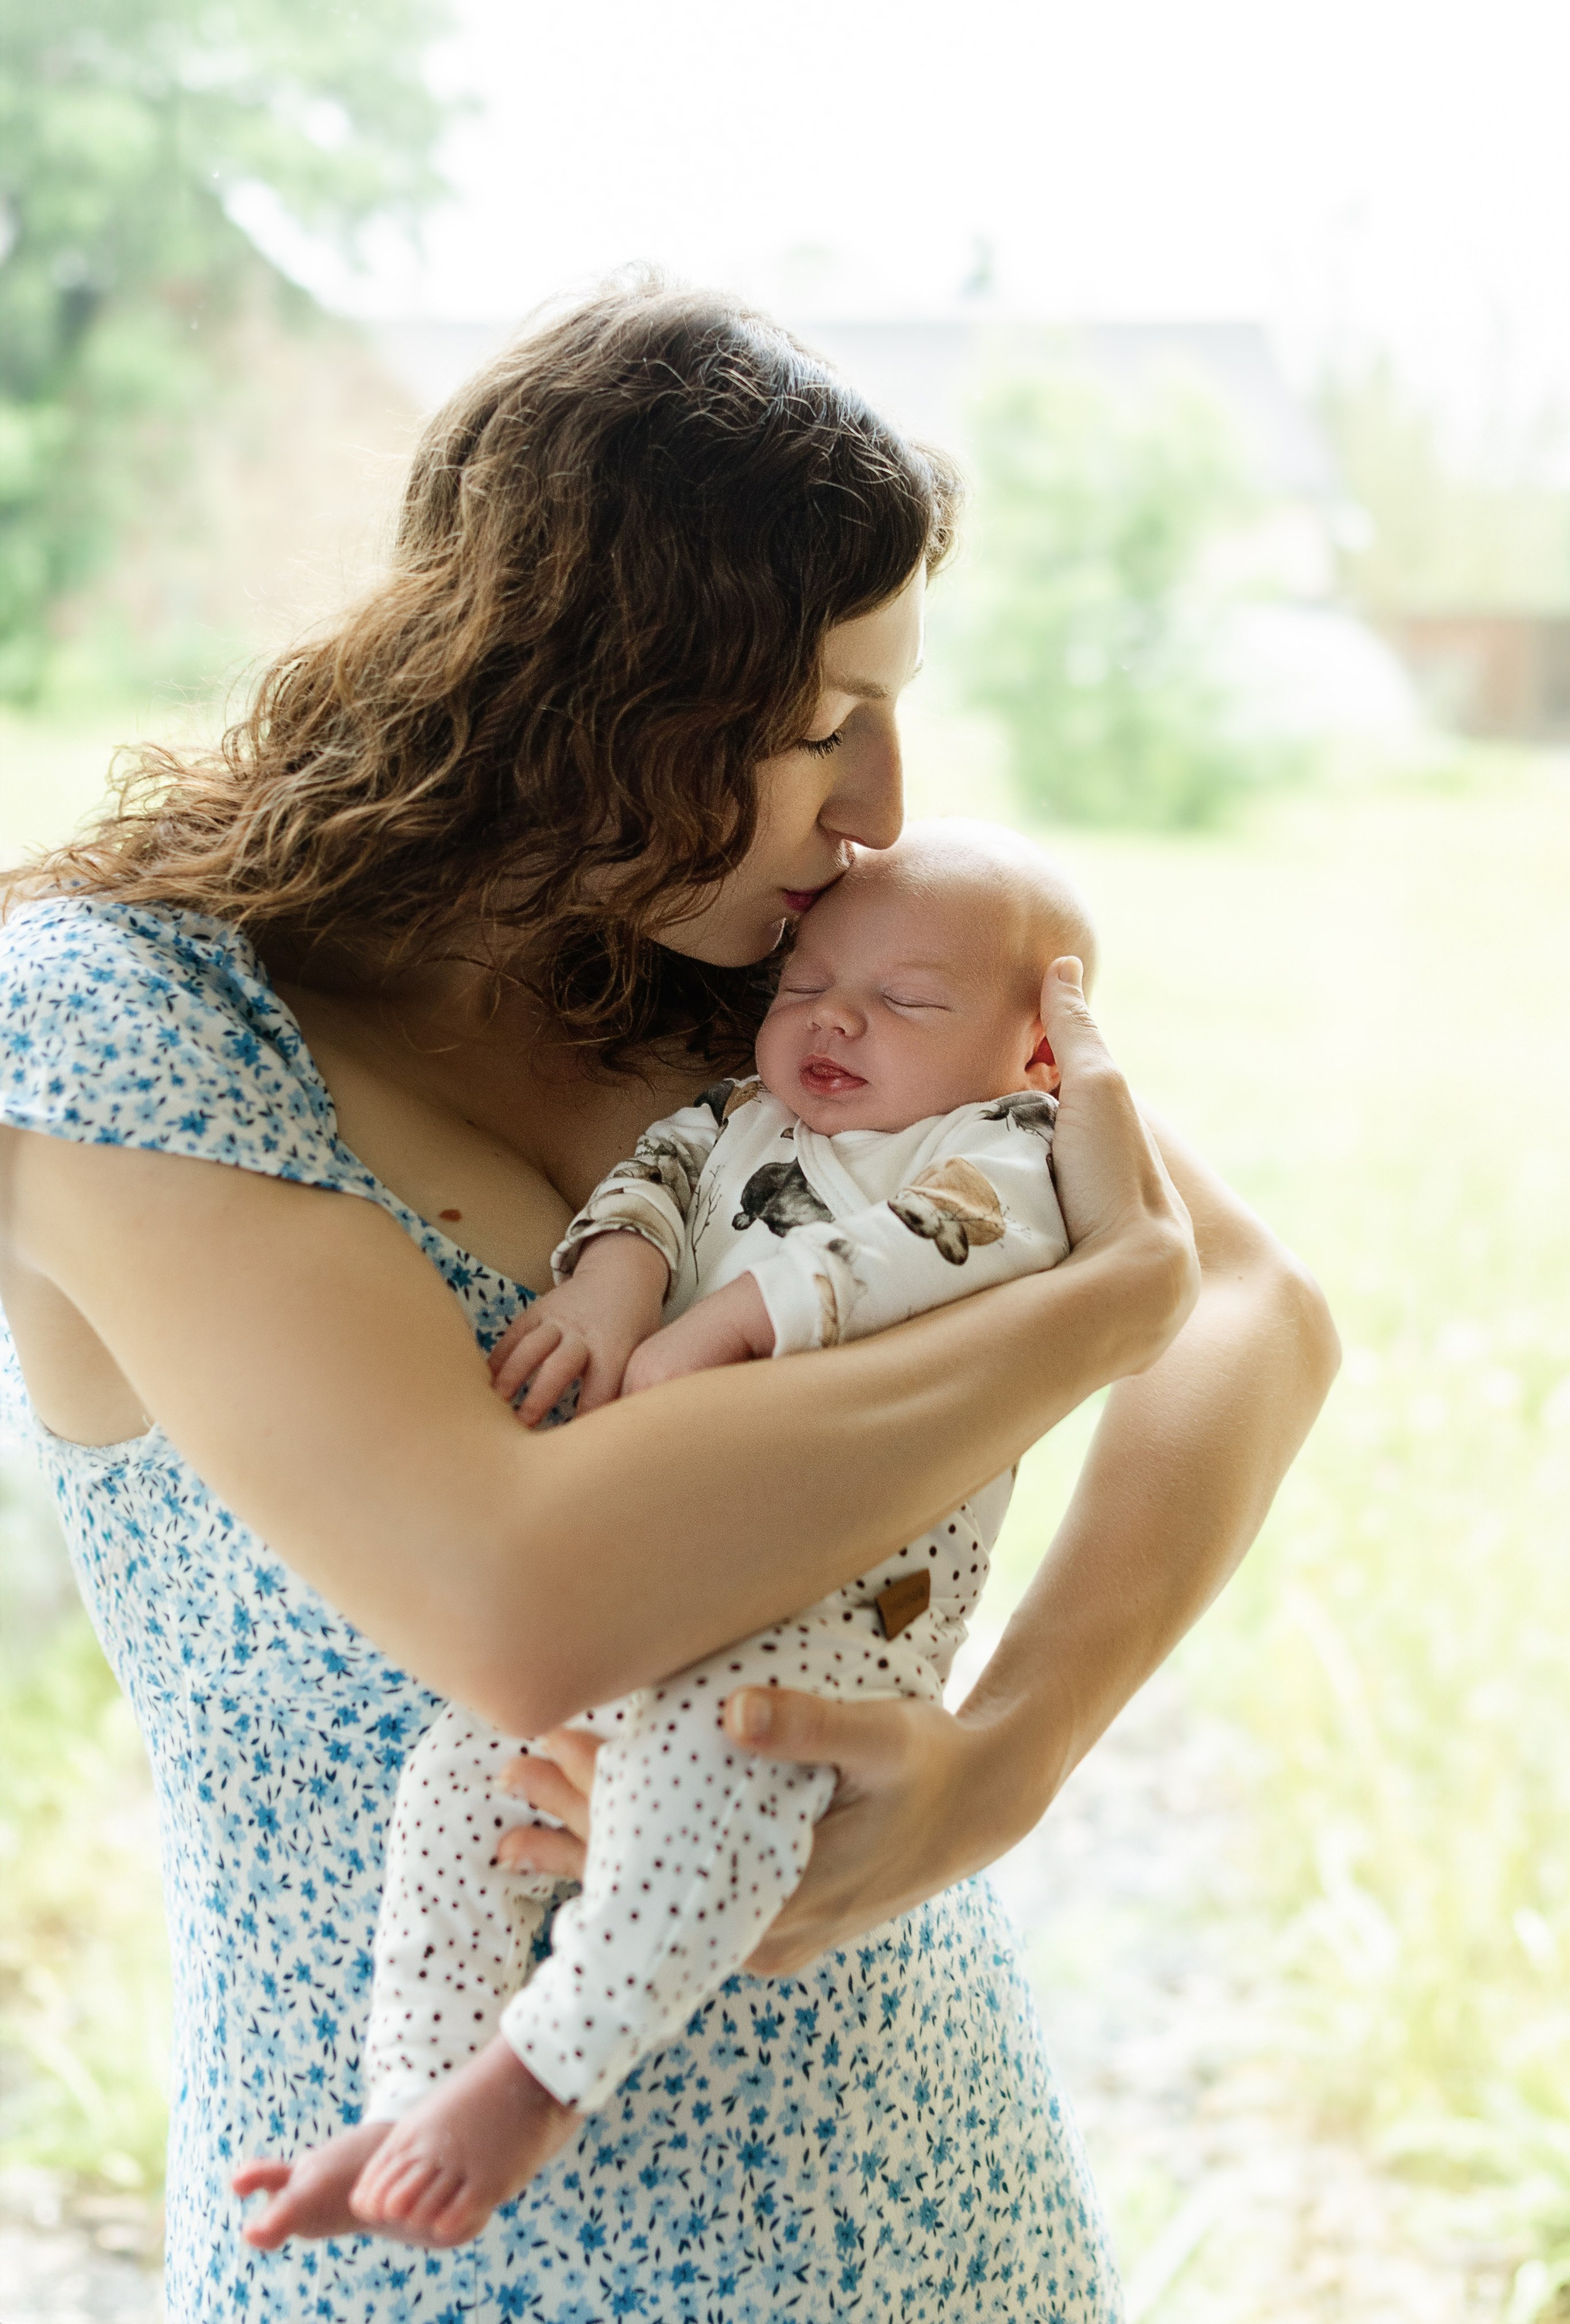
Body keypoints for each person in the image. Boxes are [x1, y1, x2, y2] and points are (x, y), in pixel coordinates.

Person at [0, 280, 1338, 2324]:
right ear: (585, 687)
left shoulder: (758, 980)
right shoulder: (123, 1027)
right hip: (432, 2255)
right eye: (820, 724)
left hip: (935, 2197)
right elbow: (522, 1602)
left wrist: (1003, 1762)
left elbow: (1254, 1310)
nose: (880, 804)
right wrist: (1094, 1309)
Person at [251, 821, 1095, 2251]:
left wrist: (735, 1322)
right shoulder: (739, 1117)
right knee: (464, 1772)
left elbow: (938, 1243)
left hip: (833, 1618)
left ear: (1035, 1055)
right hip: (652, 1586)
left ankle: (537, 2079)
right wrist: (613, 1286)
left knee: (716, 1772)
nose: (834, 1018)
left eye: (902, 1001)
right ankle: (413, 2087)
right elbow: (654, 1176)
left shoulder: (1005, 1150)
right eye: (806, 983)